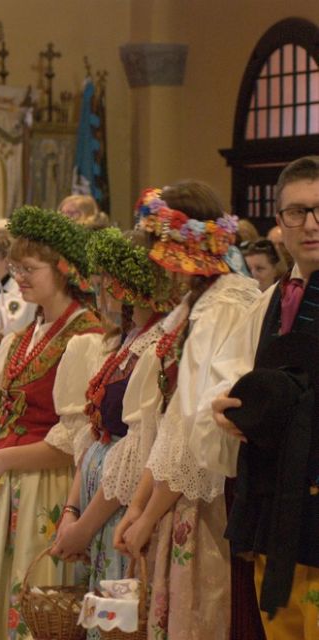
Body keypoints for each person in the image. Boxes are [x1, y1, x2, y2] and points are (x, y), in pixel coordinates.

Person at [0, 206, 104, 640]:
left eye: (30, 269)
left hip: (41, 486)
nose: (21, 278)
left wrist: (5, 459)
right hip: (6, 485)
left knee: (32, 600)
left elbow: (75, 439)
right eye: (16, 268)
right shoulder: (22, 335)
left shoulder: (85, 337)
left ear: (63, 270)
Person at [112, 183, 260, 640]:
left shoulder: (226, 305)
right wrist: (137, 506)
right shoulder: (193, 305)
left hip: (209, 492)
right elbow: (169, 420)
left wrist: (148, 514)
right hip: (176, 489)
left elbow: (195, 429)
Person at [202, 156, 319, 639]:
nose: (311, 224)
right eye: (297, 212)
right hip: (277, 501)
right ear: (279, 224)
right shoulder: (271, 300)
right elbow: (229, 373)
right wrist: (226, 404)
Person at [50, 227, 177, 639]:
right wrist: (72, 513)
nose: (99, 289)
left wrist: (85, 526)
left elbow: (140, 450)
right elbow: (92, 437)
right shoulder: (127, 339)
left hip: (120, 507)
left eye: (106, 280)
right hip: (95, 502)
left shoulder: (158, 344)